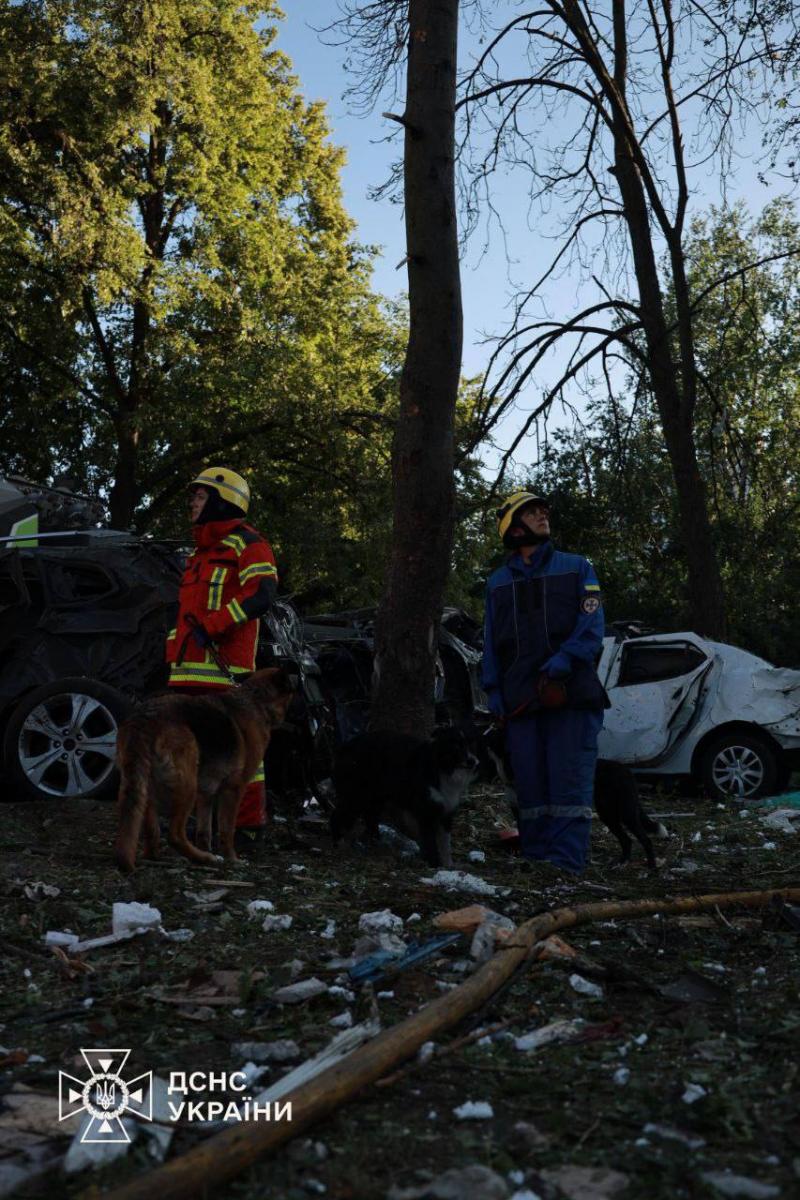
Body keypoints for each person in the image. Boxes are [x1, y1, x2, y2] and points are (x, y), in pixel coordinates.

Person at [482, 490, 608, 874]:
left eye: (543, 510)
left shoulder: (576, 567)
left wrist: (566, 658)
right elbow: (490, 640)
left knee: (568, 782)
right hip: (520, 700)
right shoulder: (497, 583)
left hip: (570, 694)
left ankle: (566, 866)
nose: (542, 515)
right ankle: (537, 862)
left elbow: (592, 625)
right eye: (532, 511)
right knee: (531, 788)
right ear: (513, 526)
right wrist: (493, 689)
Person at [166, 467, 278, 848]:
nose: (192, 503)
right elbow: (184, 615)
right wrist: (173, 650)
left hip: (224, 671)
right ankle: (196, 828)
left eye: (199, 496)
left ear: (221, 498)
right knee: (192, 754)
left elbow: (262, 595)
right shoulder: (198, 555)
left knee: (242, 755)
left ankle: (245, 827)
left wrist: (213, 627)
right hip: (185, 672)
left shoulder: (248, 544)